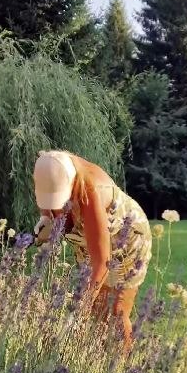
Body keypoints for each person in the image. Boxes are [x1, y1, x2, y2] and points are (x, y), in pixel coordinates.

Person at [33, 150, 152, 351]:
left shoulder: (90, 190)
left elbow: (102, 263)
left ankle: (122, 365)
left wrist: (77, 312)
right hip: (89, 239)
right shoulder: (47, 170)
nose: (56, 209)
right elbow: (48, 203)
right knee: (98, 311)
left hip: (126, 239)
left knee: (116, 311)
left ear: (70, 184)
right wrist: (46, 219)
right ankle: (100, 363)